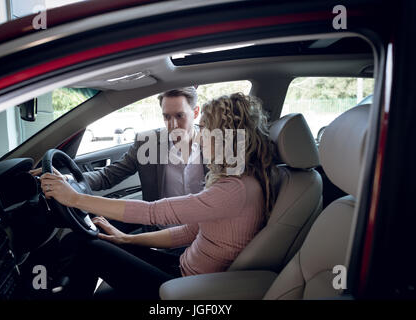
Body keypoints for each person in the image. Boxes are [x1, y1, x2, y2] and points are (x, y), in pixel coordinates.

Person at [40, 93, 277, 299]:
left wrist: (75, 199)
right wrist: (127, 239)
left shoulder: (234, 189)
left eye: (204, 127)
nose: (199, 133)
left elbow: (154, 212)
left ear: (225, 135)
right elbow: (190, 231)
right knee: (94, 240)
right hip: (180, 266)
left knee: (88, 248)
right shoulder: (238, 179)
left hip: (187, 287)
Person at [31, 86, 208, 240]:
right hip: (159, 234)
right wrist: (69, 179)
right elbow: (108, 175)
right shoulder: (149, 143)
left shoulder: (218, 143)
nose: (173, 124)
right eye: (167, 117)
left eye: (180, 116)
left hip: (206, 236)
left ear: (195, 112)